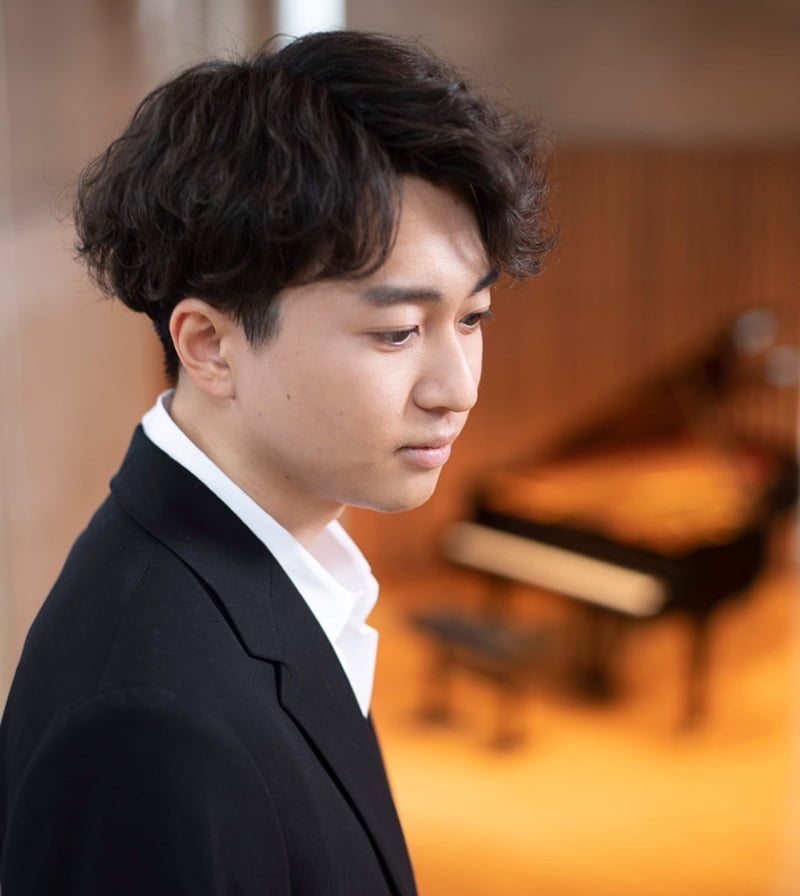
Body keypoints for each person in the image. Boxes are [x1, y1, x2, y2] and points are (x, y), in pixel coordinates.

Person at [0, 29, 553, 895]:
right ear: (210, 346)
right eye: (398, 331)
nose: (457, 389)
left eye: (472, 318)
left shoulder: (267, 575)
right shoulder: (151, 728)